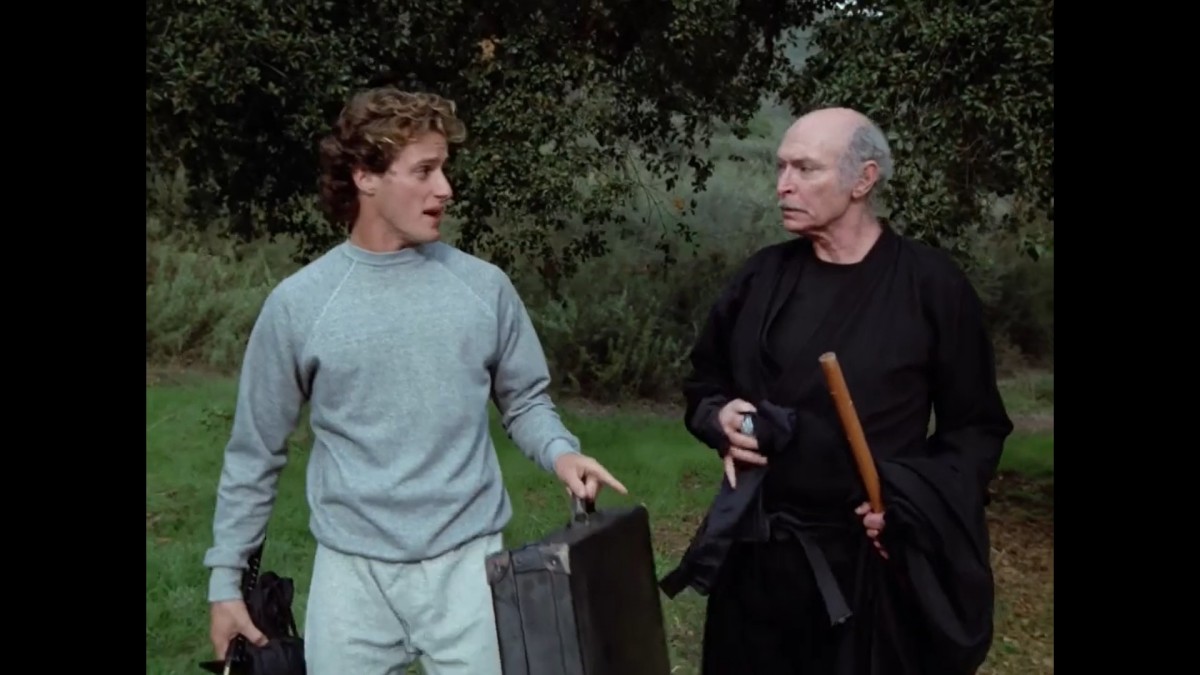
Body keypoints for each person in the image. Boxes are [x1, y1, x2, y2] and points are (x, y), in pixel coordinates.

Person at [202, 86, 628, 675]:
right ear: (365, 177)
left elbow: (525, 400)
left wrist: (561, 452)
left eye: (444, 168)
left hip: (469, 570)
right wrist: (226, 581)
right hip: (351, 579)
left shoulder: (483, 288)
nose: (445, 188)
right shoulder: (300, 305)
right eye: (425, 170)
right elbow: (255, 452)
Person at [660, 107, 1015, 674]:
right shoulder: (761, 278)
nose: (783, 185)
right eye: (780, 167)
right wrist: (717, 418)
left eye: (805, 169)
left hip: (867, 564)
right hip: (757, 561)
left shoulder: (930, 286)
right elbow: (705, 382)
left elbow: (975, 429)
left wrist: (912, 505)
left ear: (863, 180)